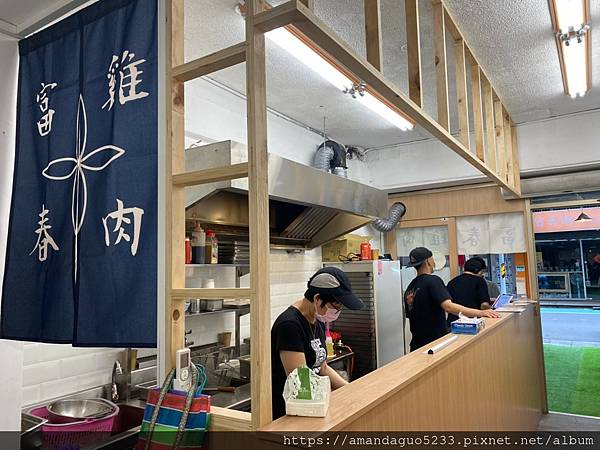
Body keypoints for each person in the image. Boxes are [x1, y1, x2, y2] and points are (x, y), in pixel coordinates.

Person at [270, 267, 364, 420]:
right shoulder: (289, 325)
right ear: (318, 299)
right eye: (337, 306)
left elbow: (323, 367)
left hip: (311, 407)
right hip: (290, 414)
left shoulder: (317, 318)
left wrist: (350, 390)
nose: (338, 312)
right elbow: (301, 384)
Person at [404, 247, 500, 352]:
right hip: (435, 345)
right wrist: (481, 313)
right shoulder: (433, 281)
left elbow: (412, 314)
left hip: (416, 346)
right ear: (428, 261)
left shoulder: (410, 288)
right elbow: (449, 306)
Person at [446, 257, 493, 327]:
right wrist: (489, 312)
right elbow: (484, 305)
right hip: (472, 323)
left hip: (453, 323)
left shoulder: (451, 282)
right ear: (480, 272)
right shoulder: (479, 281)